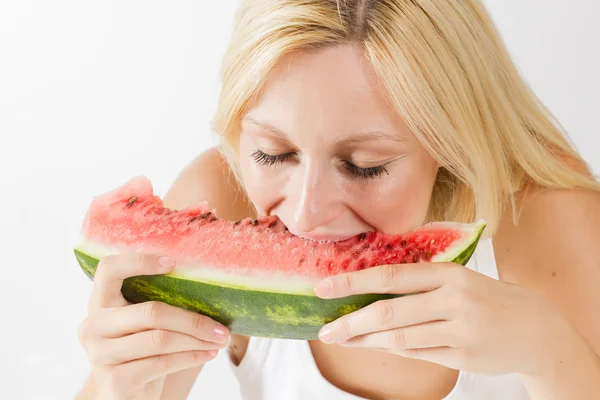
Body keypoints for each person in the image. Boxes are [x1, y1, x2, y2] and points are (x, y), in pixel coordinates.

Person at [75, 0, 600, 399]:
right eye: (273, 154)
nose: (305, 214)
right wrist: (115, 384)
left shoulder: (553, 224)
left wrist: (548, 349)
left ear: (452, 143)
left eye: (364, 165)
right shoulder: (220, 198)